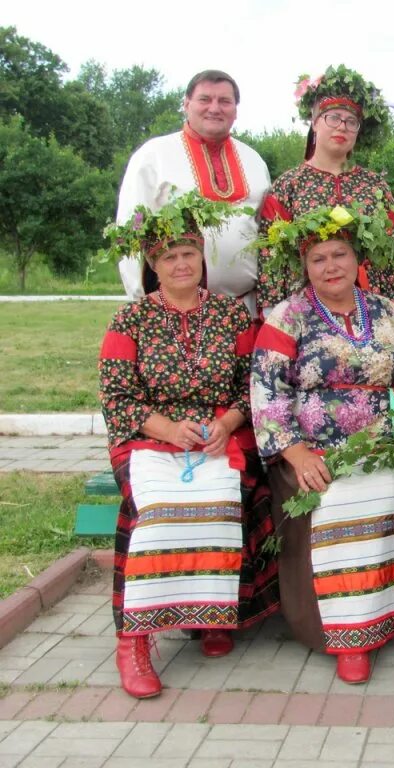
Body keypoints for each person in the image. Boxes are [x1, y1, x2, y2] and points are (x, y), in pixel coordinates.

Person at [98, 192, 279, 699]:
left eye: (189, 253)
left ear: (202, 257)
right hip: (150, 439)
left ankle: (210, 615)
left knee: (220, 500)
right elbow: (117, 397)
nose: (181, 263)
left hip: (219, 435)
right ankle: (134, 641)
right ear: (153, 265)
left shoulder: (231, 316)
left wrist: (228, 421)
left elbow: (251, 385)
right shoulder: (129, 321)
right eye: (170, 256)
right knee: (159, 512)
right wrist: (170, 430)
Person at [251, 203, 394, 684]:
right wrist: (295, 451)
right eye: (318, 259)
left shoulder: (387, 312)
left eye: (339, 254)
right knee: (335, 501)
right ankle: (345, 635)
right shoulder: (287, 317)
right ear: (304, 266)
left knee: (385, 493)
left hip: (382, 447)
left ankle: (379, 616)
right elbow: (267, 392)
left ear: (357, 257)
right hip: (308, 449)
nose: (331, 267)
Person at [116, 70, 270, 315]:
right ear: (186, 104)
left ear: (236, 110)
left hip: (245, 309)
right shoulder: (154, 156)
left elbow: (266, 234)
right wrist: (143, 304)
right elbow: (130, 234)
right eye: (205, 99)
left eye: (224, 101)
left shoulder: (254, 161)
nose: (214, 108)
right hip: (174, 313)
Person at [258, 65, 394, 314]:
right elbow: (270, 254)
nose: (342, 127)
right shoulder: (288, 185)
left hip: (372, 304)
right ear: (315, 122)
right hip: (306, 308)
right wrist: (272, 311)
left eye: (351, 122)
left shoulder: (375, 185)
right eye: (333, 118)